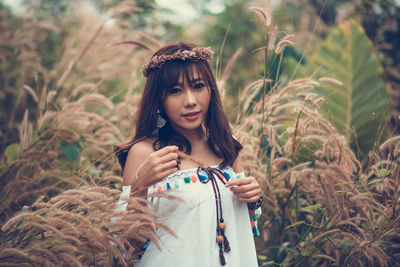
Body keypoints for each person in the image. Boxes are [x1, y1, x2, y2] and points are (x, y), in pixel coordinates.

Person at [114, 42, 262, 267]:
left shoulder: (227, 148)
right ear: (159, 101)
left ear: (210, 90)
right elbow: (131, 245)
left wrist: (253, 200)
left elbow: (244, 231)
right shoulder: (144, 153)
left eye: (198, 86)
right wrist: (139, 188)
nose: (190, 101)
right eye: (175, 91)